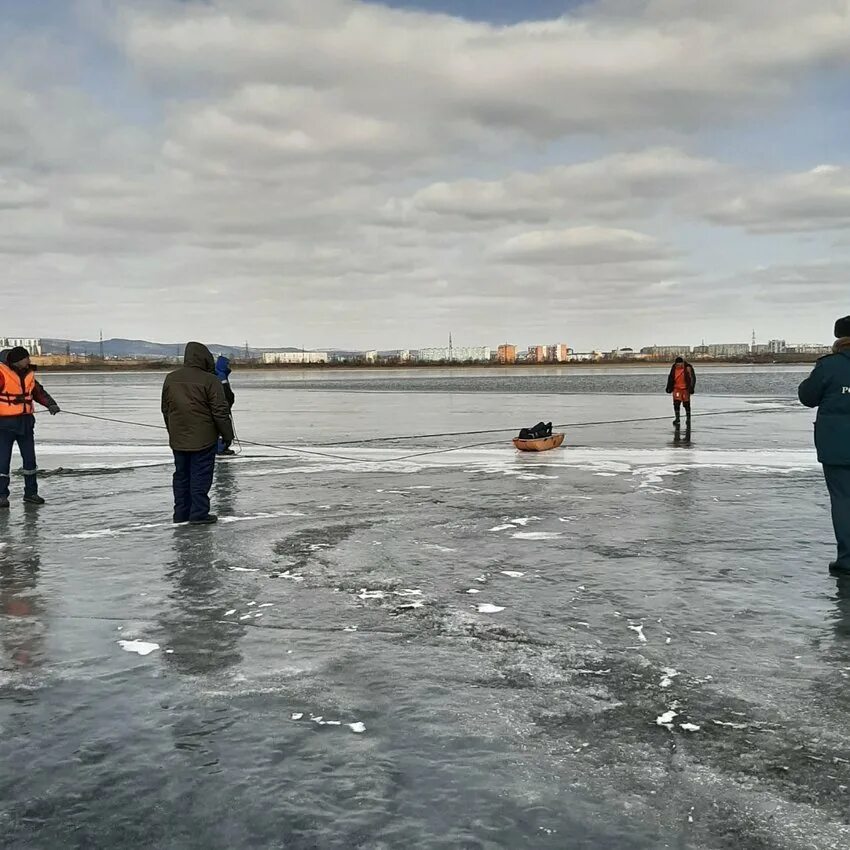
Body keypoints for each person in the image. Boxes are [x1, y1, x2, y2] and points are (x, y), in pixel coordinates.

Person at [798, 316, 850, 575]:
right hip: (837, 445)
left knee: (843, 500)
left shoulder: (829, 366)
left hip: (838, 446)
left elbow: (808, 397)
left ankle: (848, 560)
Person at [162, 342, 234, 525]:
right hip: (204, 439)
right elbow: (220, 411)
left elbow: (165, 409)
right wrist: (227, 435)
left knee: (181, 476)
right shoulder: (211, 380)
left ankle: (181, 513)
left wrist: (172, 430)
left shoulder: (171, 378)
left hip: (178, 438)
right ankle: (199, 513)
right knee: (200, 476)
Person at [0, 347, 60, 508]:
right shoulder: (1, 373)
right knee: (2, 461)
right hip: (4, 425)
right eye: (26, 358)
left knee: (30, 460)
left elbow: (38, 392)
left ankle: (31, 493)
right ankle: (1, 495)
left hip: (25, 423)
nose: (29, 360)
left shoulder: (28, 374)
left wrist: (51, 404)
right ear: (17, 360)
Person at [666, 356, 696, 427]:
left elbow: (692, 378)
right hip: (676, 389)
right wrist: (668, 387)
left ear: (683, 363)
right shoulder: (674, 368)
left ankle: (688, 419)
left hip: (685, 389)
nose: (679, 365)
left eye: (680, 364)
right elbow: (670, 377)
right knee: (676, 403)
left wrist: (691, 387)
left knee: (686, 404)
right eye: (677, 364)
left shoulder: (688, 368)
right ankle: (677, 418)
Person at [215, 355, 236, 456]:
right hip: (222, 406)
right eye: (227, 364)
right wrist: (228, 401)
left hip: (224, 405)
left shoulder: (221, 374)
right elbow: (225, 392)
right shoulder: (220, 376)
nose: (229, 366)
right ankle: (221, 447)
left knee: (223, 426)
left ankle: (222, 446)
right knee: (222, 426)